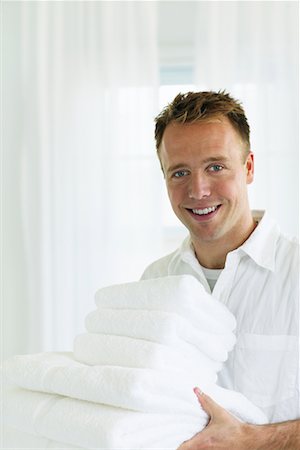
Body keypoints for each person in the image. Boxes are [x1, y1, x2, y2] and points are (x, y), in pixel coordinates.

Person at [141, 91, 300, 449]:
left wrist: (253, 440)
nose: (198, 190)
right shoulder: (155, 284)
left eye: (216, 166)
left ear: (248, 168)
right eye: (179, 172)